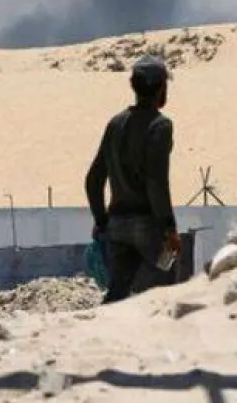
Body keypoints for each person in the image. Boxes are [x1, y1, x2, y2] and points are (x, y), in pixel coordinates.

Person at [84, 53, 182, 304]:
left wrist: (102, 221)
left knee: (117, 293)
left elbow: (94, 179)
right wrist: (169, 229)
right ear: (161, 88)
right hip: (148, 227)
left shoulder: (115, 124)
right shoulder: (160, 126)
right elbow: (156, 183)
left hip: (117, 227)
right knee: (165, 292)